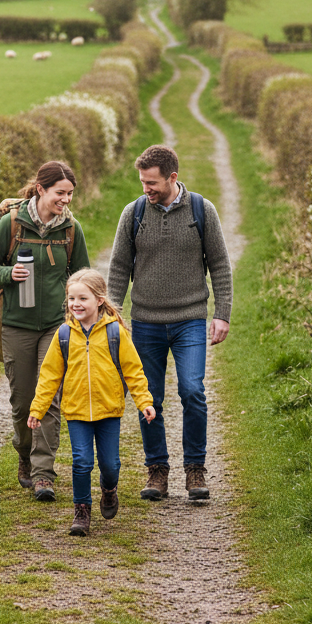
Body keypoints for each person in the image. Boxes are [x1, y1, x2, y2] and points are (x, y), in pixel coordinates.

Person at [107, 145, 232, 502]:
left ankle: (195, 469)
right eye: (143, 182)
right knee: (151, 398)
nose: (146, 188)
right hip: (145, 321)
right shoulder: (132, 214)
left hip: (189, 319)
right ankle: (157, 470)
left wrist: (222, 314)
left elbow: (221, 265)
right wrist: (113, 316)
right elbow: (118, 268)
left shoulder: (200, 211)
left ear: (172, 178)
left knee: (192, 391)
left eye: (153, 182)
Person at [0, 161, 90, 501]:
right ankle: (24, 453)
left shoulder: (71, 230)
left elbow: (82, 274)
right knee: (22, 402)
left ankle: (44, 474)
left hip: (55, 326)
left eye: (70, 194)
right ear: (41, 190)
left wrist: (79, 307)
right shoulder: (11, 224)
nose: (66, 200)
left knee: (49, 399)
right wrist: (8, 274)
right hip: (16, 324)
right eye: (60, 193)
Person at [27, 269, 155, 536]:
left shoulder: (115, 333)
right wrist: (37, 409)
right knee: (81, 461)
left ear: (99, 300)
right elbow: (49, 376)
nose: (76, 304)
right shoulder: (64, 334)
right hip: (76, 412)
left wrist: (144, 402)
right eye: (71, 298)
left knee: (110, 465)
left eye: (82, 298)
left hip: (109, 410)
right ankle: (81, 510)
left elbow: (134, 371)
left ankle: (109, 490)